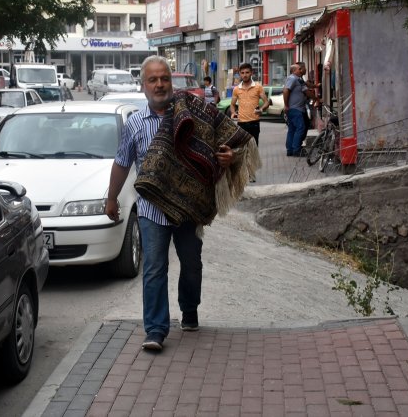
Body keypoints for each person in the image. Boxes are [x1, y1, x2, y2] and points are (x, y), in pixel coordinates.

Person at [105, 55, 257, 351]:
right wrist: (111, 198)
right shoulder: (135, 123)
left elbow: (225, 149)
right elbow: (122, 162)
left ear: (171, 82)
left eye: (164, 78)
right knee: (153, 269)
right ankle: (156, 330)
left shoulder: (196, 114)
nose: (159, 84)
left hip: (189, 208)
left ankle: (189, 310)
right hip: (151, 210)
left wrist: (228, 158)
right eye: (153, 79)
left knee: (191, 265)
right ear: (143, 85)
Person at [229, 63, 269, 147]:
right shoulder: (236, 89)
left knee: (253, 149)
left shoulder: (258, 87)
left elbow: (266, 102)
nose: (245, 75)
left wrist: (261, 109)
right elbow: (232, 105)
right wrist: (233, 113)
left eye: (247, 72)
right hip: (241, 123)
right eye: (242, 73)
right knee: (242, 149)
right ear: (239, 74)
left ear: (251, 73)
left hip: (254, 123)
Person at [283, 63, 308, 156]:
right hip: (295, 109)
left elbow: (306, 86)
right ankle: (296, 149)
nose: (301, 70)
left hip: (296, 108)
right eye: (299, 69)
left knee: (292, 129)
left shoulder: (298, 79)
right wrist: (286, 105)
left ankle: (290, 150)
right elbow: (286, 90)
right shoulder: (292, 78)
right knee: (300, 128)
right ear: (294, 71)